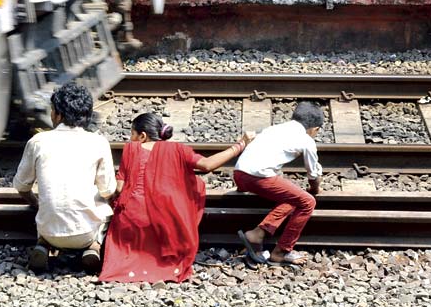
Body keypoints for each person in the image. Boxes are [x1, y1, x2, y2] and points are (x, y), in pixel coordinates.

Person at [99, 113, 253, 283]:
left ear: (142, 136)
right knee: (194, 186)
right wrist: (240, 145)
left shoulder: (131, 149)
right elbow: (207, 165)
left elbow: (119, 189)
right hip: (167, 222)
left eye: (132, 134)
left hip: (132, 222)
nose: (131, 138)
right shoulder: (178, 149)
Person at [13, 82, 117, 273]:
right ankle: (93, 246)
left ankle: (43, 245)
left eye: (52, 111)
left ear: (59, 115)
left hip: (48, 230)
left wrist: (36, 203)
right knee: (105, 207)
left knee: (47, 208)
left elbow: (21, 187)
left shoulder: (38, 141)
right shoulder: (98, 142)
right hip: (85, 233)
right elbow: (108, 190)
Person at [234, 101, 323, 266]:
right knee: (307, 201)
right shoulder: (307, 140)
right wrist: (314, 189)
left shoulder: (273, 128)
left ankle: (259, 233)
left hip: (239, 175)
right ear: (315, 129)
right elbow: (313, 175)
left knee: (293, 197)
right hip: (258, 178)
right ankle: (281, 251)